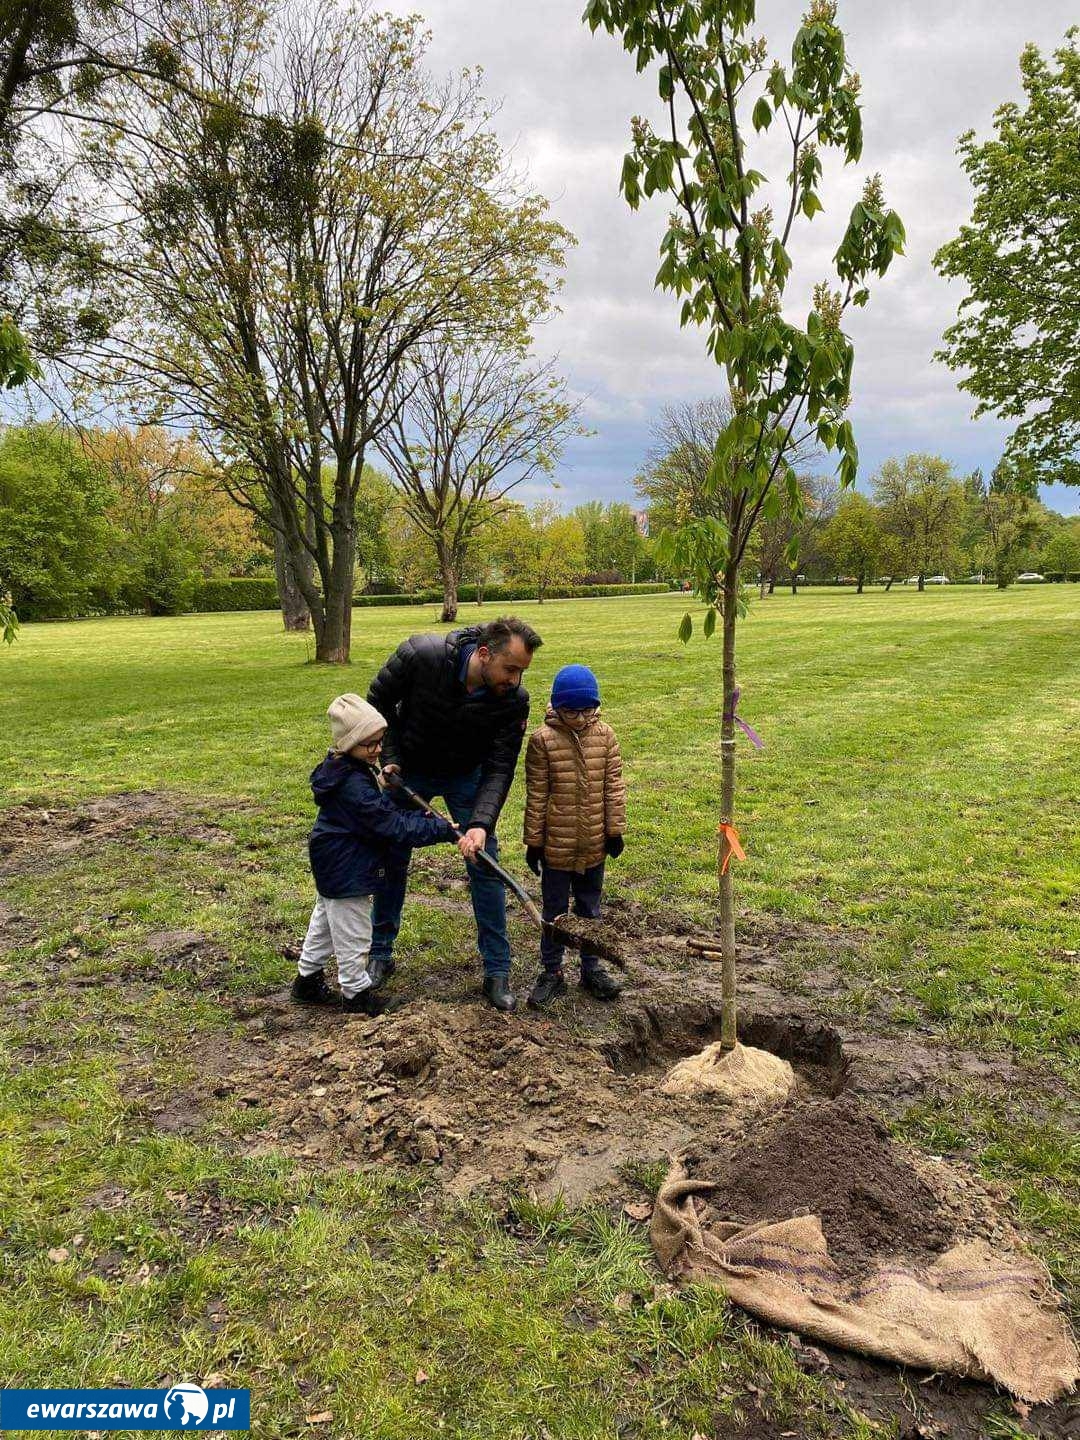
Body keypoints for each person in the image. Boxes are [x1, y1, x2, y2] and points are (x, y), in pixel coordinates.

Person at [366, 616, 542, 1012]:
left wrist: (480, 823)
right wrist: (390, 758)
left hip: (468, 775)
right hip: (410, 768)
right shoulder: (421, 656)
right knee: (391, 855)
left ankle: (497, 970)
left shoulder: (513, 701)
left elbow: (500, 766)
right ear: (484, 654)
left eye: (522, 672)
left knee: (485, 863)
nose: (515, 680)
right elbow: (376, 705)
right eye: (510, 669)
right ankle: (380, 953)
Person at [291, 694, 460, 1015]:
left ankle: (307, 980)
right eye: (369, 745)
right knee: (354, 932)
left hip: (334, 863)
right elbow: (391, 825)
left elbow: (373, 806)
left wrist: (378, 779)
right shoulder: (353, 786)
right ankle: (356, 994)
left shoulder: (345, 769)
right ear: (348, 742)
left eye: (380, 742)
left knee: (325, 923)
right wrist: (440, 829)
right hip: (347, 867)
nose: (378, 750)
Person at [522, 663, 627, 1011]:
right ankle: (552, 972)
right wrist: (534, 841)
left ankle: (591, 968)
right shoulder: (542, 741)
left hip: (594, 844)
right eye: (571, 711)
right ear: (557, 706)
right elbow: (537, 794)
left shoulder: (606, 736)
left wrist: (614, 832)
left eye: (587, 710)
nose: (580, 718)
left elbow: (613, 787)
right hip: (556, 847)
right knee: (554, 912)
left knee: (590, 909)